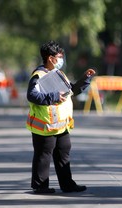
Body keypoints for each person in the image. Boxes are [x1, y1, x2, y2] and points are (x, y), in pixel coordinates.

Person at [26, 40, 96, 194]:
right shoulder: (38, 76)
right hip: (45, 125)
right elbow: (31, 95)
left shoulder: (59, 74)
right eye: (59, 56)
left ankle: (67, 184)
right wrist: (52, 96)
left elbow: (71, 91)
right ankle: (40, 186)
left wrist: (85, 79)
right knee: (43, 156)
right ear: (50, 58)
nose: (61, 59)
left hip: (61, 125)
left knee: (64, 152)